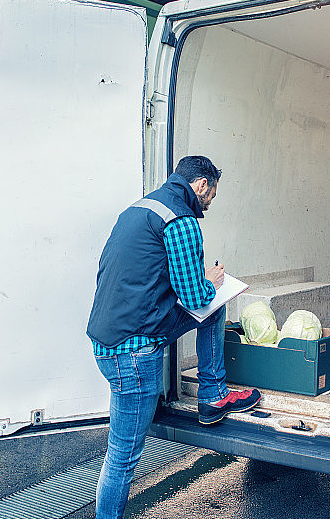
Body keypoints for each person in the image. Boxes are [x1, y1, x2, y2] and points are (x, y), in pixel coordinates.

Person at [87, 155, 261, 519]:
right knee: (121, 458)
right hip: (133, 353)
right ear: (201, 186)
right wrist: (210, 281)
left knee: (213, 307)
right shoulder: (180, 220)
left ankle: (213, 397)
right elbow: (196, 297)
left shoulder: (140, 209)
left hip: (109, 341)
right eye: (211, 195)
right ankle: (213, 395)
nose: (210, 204)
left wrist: (201, 283)